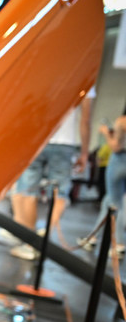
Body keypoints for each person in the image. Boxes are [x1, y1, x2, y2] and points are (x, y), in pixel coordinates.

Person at [9, 87, 94, 260]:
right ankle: (45, 236)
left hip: (39, 137)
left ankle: (29, 244)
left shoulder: (48, 73)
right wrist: (85, 153)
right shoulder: (87, 80)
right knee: (60, 193)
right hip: (65, 143)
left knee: (28, 190)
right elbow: (85, 120)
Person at [80, 109, 126, 256]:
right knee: (109, 201)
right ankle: (93, 237)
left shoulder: (122, 121)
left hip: (120, 161)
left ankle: (119, 243)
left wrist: (106, 132)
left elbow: (116, 146)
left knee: (116, 204)